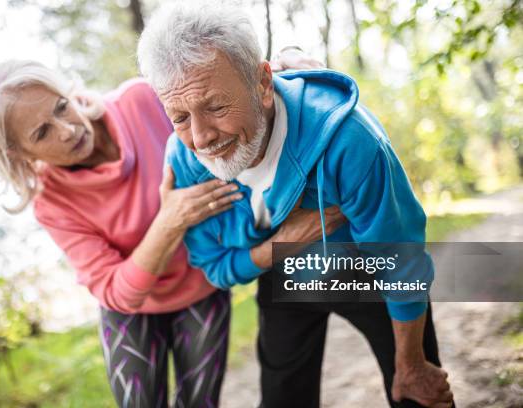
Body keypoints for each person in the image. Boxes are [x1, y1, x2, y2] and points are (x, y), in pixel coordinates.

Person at [0, 54, 336, 407]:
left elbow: (216, 97)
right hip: (131, 308)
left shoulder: (140, 100)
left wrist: (285, 61)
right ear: (19, 154)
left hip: (199, 284)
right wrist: (170, 220)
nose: (68, 128)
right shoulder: (52, 202)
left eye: (61, 106)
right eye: (42, 132)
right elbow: (113, 289)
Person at [137, 2, 454, 408]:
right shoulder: (184, 161)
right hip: (284, 269)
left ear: (263, 84)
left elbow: (401, 259)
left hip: (363, 265)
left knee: (418, 390)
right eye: (179, 116)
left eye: (215, 107)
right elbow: (214, 266)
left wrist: (411, 365)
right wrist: (281, 244)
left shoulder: (350, 138)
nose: (200, 138)